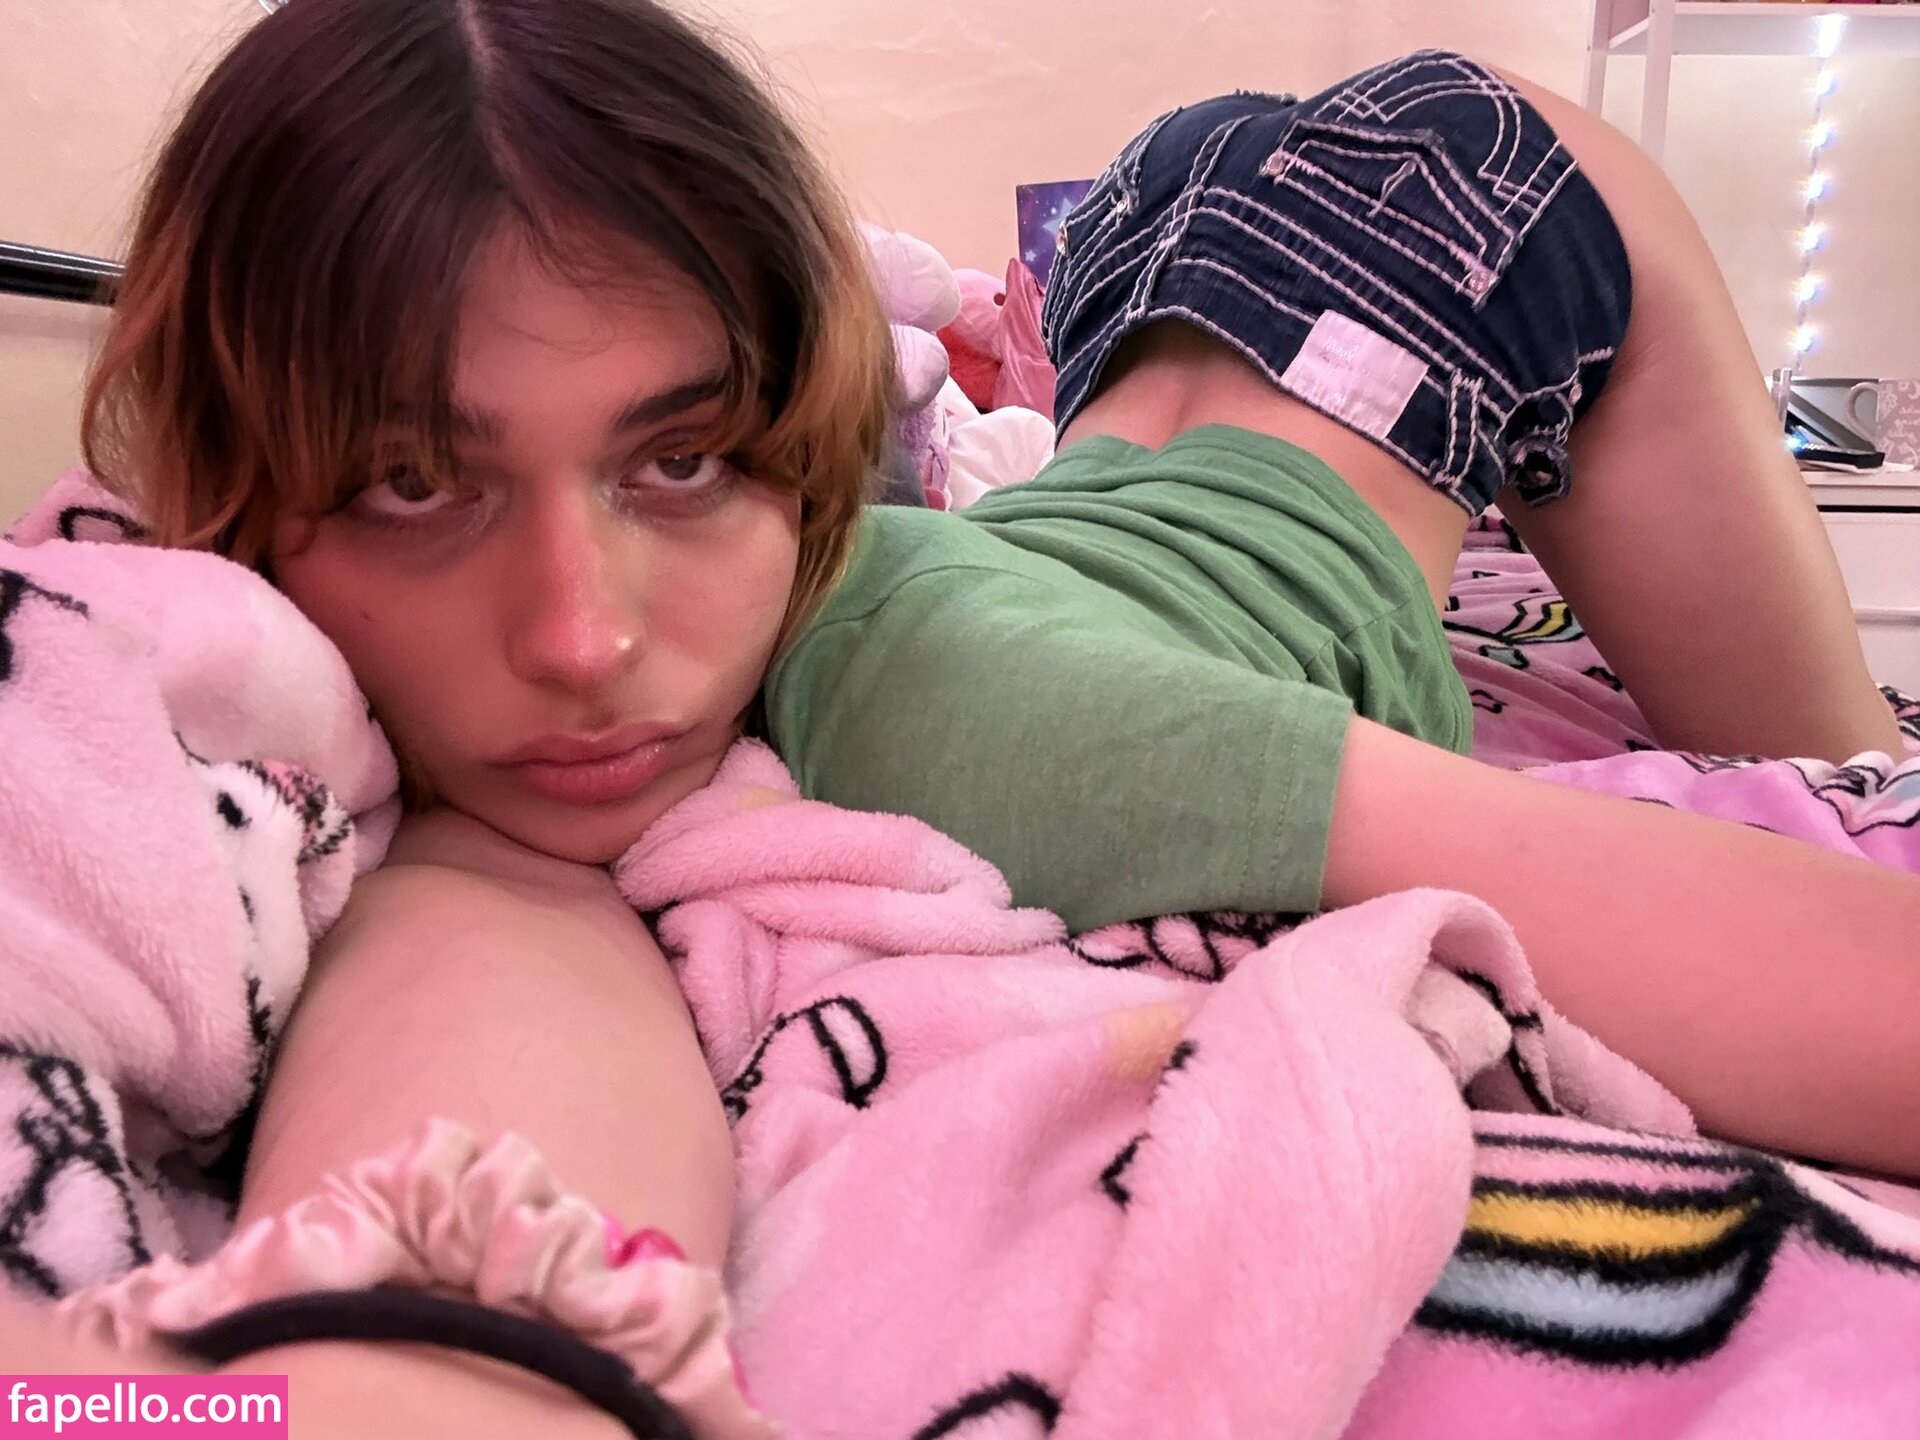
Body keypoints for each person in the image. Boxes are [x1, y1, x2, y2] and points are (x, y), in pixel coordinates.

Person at [40, 0, 1920, 1428]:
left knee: (1839, 758)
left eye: (681, 460)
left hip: (1480, 209)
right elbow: (478, 1055)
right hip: (1142, 256)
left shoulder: (976, 707)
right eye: (412, 483)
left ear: (798, 452)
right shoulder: (301, 706)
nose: (583, 642)